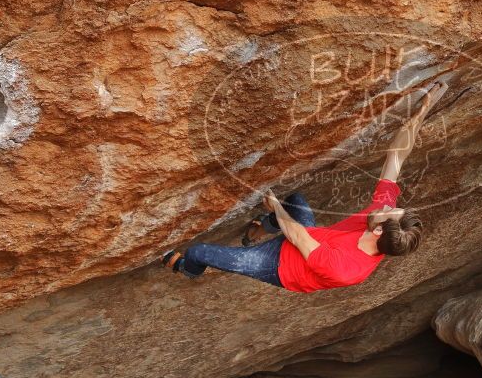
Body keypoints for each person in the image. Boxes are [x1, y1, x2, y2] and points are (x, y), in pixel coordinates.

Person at [163, 81, 449, 292]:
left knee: (200, 252)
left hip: (278, 266)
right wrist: (422, 112)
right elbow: (396, 158)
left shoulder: (347, 269)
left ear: (378, 230)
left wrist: (274, 205)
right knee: (296, 199)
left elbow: (298, 236)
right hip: (308, 237)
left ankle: (186, 269)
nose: (386, 205)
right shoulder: (382, 222)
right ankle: (262, 228)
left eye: (388, 210)